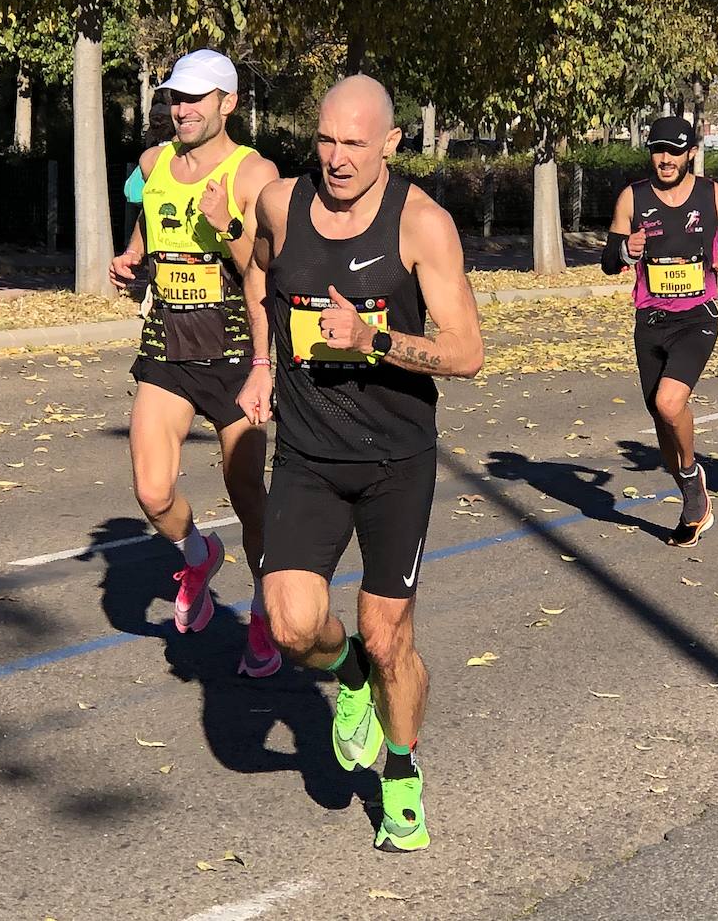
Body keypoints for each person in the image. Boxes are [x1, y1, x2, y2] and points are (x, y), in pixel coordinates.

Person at [242, 75, 483, 852]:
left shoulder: (422, 224)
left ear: (389, 143)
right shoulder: (280, 204)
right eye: (325, 139)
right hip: (309, 455)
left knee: (391, 639)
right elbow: (258, 270)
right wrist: (260, 361)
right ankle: (344, 670)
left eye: (354, 142)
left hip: (396, 461)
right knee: (290, 625)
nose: (337, 158)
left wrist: (372, 340)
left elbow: (467, 352)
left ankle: (403, 772)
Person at [107, 49, 283, 678]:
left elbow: (265, 270)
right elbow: (149, 238)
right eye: (174, 99)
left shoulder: (253, 173)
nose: (179, 110)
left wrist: (228, 224)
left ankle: (263, 612)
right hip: (169, 344)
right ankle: (197, 553)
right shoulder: (153, 163)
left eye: (194, 99)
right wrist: (133, 265)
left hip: (236, 351)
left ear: (227, 103)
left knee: (248, 498)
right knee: (152, 489)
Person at [601, 115, 718, 546]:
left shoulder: (714, 195)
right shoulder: (632, 198)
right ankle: (694, 499)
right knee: (661, 419)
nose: (665, 159)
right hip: (650, 320)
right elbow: (608, 261)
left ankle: (691, 480)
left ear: (691, 152)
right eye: (657, 150)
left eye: (674, 150)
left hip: (697, 317)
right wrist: (624, 250)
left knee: (671, 403)